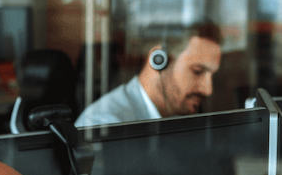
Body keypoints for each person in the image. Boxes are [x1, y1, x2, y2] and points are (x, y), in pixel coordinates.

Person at [75, 21, 222, 127]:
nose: (208, 90)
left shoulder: (179, 119)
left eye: (212, 75)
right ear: (158, 60)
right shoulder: (105, 123)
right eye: (197, 71)